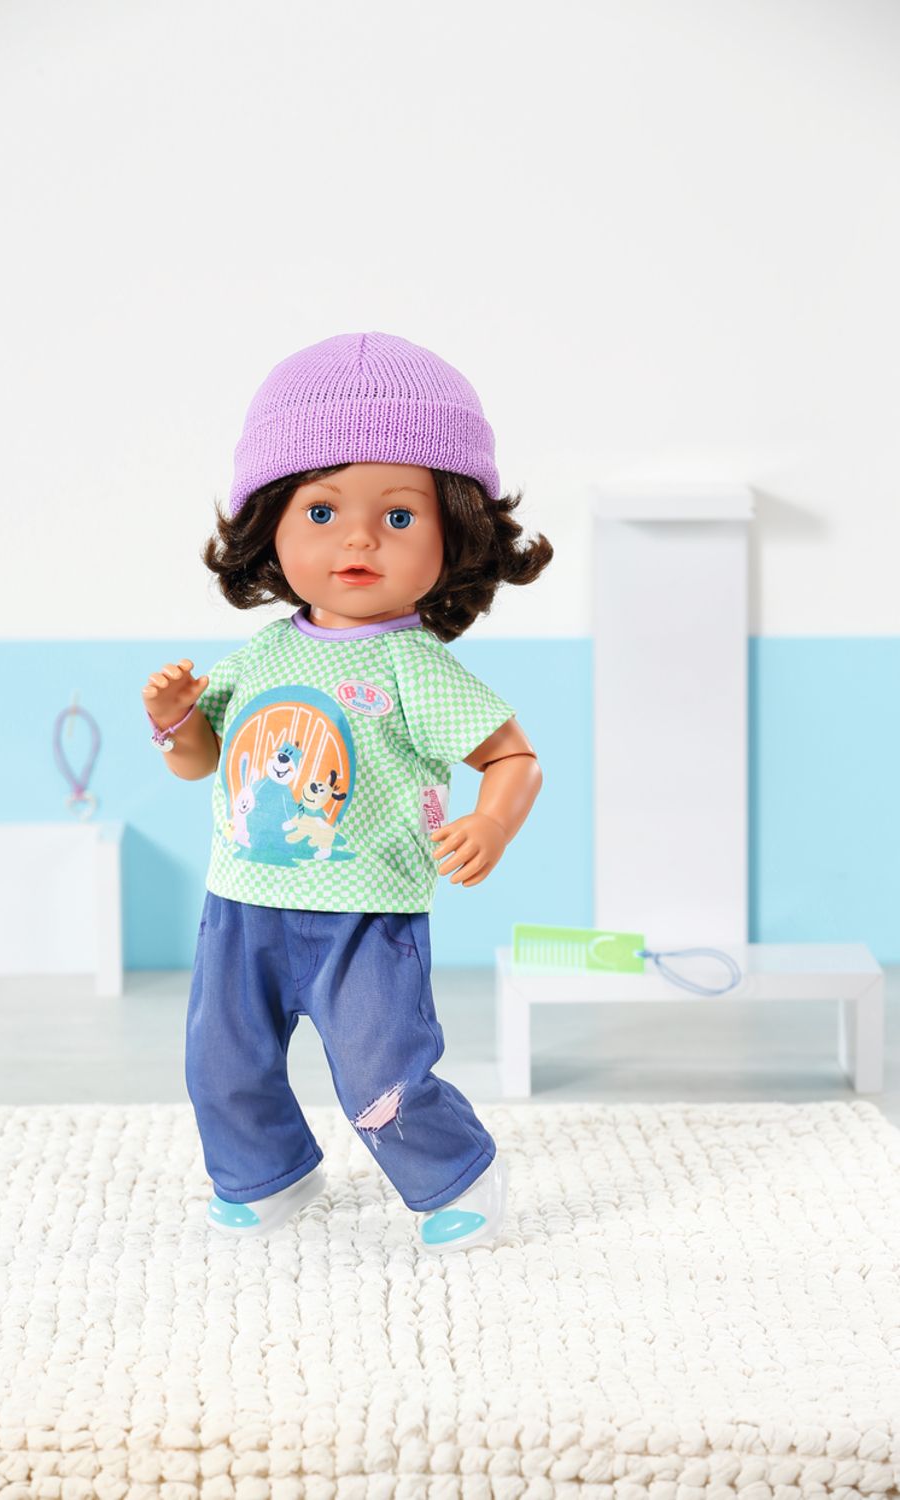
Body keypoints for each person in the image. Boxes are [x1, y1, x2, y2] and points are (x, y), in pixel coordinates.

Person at [141, 331, 553, 1253]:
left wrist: (491, 823)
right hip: (241, 903)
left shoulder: (414, 666)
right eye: (322, 511)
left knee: (380, 1071)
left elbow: (514, 758)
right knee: (222, 1060)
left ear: (456, 531)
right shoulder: (262, 653)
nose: (359, 538)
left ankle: (457, 1173)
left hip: (364, 910)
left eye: (399, 515)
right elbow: (203, 762)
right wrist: (176, 723)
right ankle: (265, 1173)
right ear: (269, 526)